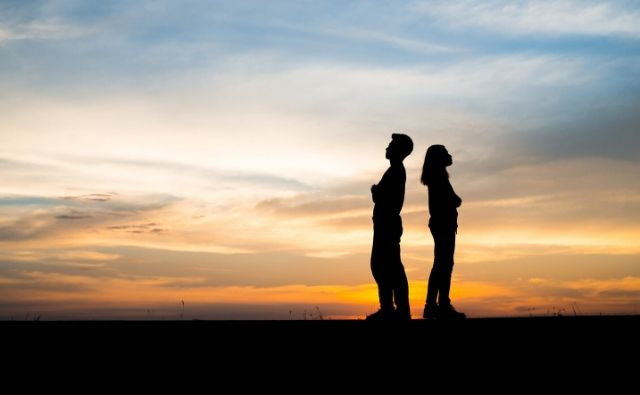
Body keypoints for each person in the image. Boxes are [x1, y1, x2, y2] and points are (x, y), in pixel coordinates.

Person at [366, 133, 413, 320]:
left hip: (388, 224)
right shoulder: (394, 170)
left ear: (399, 150)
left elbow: (383, 197)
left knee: (386, 266)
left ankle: (392, 309)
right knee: (385, 266)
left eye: (391, 145)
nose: (387, 148)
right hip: (386, 223)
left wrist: (375, 190)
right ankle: (392, 308)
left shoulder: (396, 171)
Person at [421, 145, 466, 319]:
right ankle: (439, 305)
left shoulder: (438, 176)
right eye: (446, 153)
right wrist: (455, 200)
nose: (450, 155)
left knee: (442, 264)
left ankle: (435, 305)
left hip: (442, 224)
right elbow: (454, 200)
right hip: (443, 224)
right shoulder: (439, 177)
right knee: (444, 265)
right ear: (439, 158)